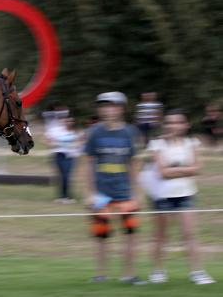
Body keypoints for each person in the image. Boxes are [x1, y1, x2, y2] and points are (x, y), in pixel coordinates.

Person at [147, 109, 216, 285]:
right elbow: (162, 172)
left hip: (186, 194)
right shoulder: (157, 144)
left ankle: (197, 272)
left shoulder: (192, 143)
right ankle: (158, 271)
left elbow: (198, 168)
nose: (173, 125)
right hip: (162, 196)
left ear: (186, 125)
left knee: (189, 235)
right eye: (169, 122)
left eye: (177, 122)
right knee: (160, 237)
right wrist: (186, 169)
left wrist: (175, 169)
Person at [84, 92, 145, 285]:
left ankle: (129, 275)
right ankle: (101, 275)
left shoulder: (130, 132)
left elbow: (134, 163)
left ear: (121, 108)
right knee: (102, 236)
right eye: (104, 106)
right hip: (101, 195)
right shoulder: (94, 132)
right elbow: (87, 164)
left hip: (125, 193)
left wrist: (137, 193)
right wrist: (89, 193)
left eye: (112, 106)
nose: (108, 109)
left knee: (130, 235)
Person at [45, 113, 83, 204]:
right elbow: (48, 140)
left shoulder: (76, 132)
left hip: (70, 156)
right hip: (59, 155)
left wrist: (75, 146)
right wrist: (56, 144)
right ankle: (62, 197)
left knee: (67, 176)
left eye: (71, 121)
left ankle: (67, 196)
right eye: (67, 120)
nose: (69, 122)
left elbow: (80, 143)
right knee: (61, 176)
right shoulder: (57, 131)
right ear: (64, 121)